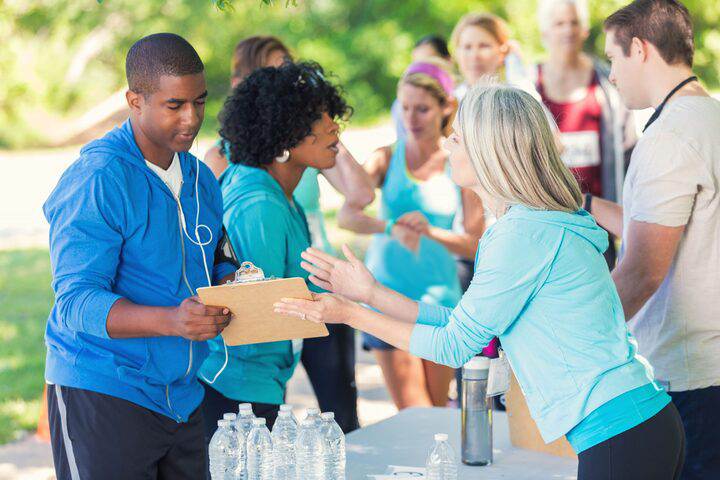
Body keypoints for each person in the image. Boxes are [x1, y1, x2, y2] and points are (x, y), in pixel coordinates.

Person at [276, 84, 686, 480]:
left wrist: (350, 314)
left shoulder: (521, 235)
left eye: (457, 137)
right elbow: (462, 323)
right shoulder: (530, 224)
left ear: (489, 151)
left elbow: (453, 345)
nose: (447, 144)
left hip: (620, 430)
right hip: (636, 423)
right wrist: (370, 294)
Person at [43, 33, 237, 480]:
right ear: (135, 101)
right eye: (175, 105)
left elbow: (218, 254)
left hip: (182, 395)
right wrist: (173, 321)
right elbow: (75, 303)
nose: (192, 118)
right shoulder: (98, 179)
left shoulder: (200, 177)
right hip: (104, 391)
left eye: (200, 102)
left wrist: (235, 283)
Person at [203, 35, 372, 433]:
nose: (333, 127)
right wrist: (336, 304)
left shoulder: (276, 192)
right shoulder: (260, 204)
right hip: (236, 389)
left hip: (257, 384)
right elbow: (251, 313)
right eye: (319, 118)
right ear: (284, 131)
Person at [588, 1, 720, 478]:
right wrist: (584, 203)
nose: (611, 75)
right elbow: (666, 227)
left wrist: (578, 337)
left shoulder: (669, 136)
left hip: (688, 377)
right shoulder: (710, 118)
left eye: (613, 58)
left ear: (640, 50)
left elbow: (643, 270)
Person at [338, 59, 484, 409]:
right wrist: (390, 227)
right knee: (414, 410)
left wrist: (430, 232)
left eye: (422, 109)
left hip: (439, 300)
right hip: (385, 293)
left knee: (437, 412)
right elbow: (347, 216)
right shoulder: (386, 157)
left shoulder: (458, 160)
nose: (411, 118)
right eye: (404, 108)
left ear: (445, 107)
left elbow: (476, 243)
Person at [533, 0, 637, 268]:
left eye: (574, 22)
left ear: (585, 30)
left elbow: (629, 154)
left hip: (599, 228)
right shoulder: (529, 86)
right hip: (544, 227)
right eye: (559, 23)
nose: (567, 30)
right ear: (544, 32)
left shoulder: (607, 82)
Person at [392, 34, 453, 139]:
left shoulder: (462, 101)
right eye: (416, 63)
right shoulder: (398, 106)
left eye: (423, 109)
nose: (421, 70)